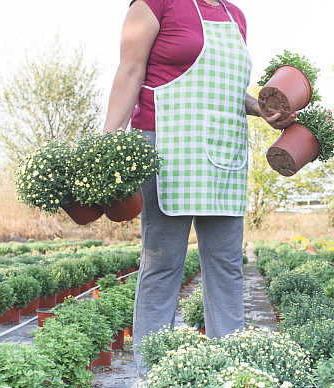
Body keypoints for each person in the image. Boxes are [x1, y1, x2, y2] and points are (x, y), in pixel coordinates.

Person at [102, 0, 294, 348]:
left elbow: (230, 91)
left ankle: (229, 370)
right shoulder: (155, 3)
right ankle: (154, 373)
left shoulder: (235, 16)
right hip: (167, 147)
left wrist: (259, 107)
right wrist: (107, 145)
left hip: (223, 153)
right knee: (163, 264)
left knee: (226, 266)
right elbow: (130, 70)